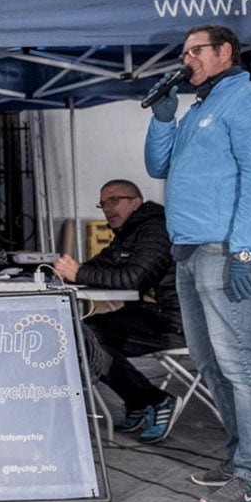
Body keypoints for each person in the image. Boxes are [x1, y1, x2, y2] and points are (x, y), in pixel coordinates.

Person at [145, 24, 251, 502]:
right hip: (188, 252)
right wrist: (163, 118)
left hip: (224, 249)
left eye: (196, 50)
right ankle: (237, 458)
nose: (187, 59)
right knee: (209, 362)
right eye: (183, 52)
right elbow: (157, 167)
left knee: (241, 362)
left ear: (226, 52)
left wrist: (245, 250)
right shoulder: (199, 109)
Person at [53, 180, 186, 441]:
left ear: (136, 201)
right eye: (103, 203)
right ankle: (140, 402)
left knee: (85, 339)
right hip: (151, 315)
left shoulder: (155, 229)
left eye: (114, 200)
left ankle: (156, 401)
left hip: (174, 321)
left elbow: (135, 278)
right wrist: (69, 273)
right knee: (85, 335)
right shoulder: (129, 232)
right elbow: (102, 265)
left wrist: (79, 272)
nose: (107, 208)